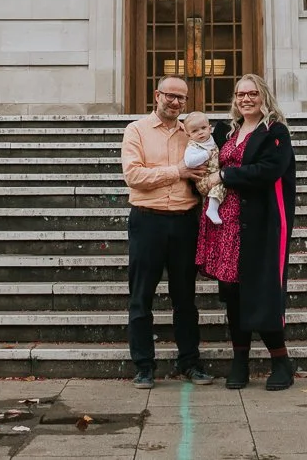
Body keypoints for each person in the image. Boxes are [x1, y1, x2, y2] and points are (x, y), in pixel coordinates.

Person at [194, 73, 297, 391]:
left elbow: (269, 170)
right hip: (227, 225)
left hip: (260, 224)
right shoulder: (228, 132)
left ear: (263, 96)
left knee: (261, 293)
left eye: (252, 93)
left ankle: (281, 361)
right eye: (240, 94)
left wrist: (225, 174)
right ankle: (240, 361)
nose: (245, 99)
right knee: (233, 294)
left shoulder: (275, 132)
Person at [119, 75, 215, 388]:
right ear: (157, 95)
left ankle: (190, 362)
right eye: (170, 96)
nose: (176, 102)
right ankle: (144, 366)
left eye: (181, 98)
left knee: (185, 298)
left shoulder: (192, 131)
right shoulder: (136, 130)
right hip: (148, 220)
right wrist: (178, 172)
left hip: (185, 221)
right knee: (141, 296)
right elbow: (134, 175)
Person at [179, 111, 226, 225]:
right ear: (188, 135)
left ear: (210, 129)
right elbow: (189, 162)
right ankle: (212, 210)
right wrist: (206, 155)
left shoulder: (210, 140)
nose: (200, 133)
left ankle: (211, 208)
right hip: (203, 179)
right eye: (195, 131)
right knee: (223, 184)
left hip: (213, 174)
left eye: (203, 128)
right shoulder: (193, 146)